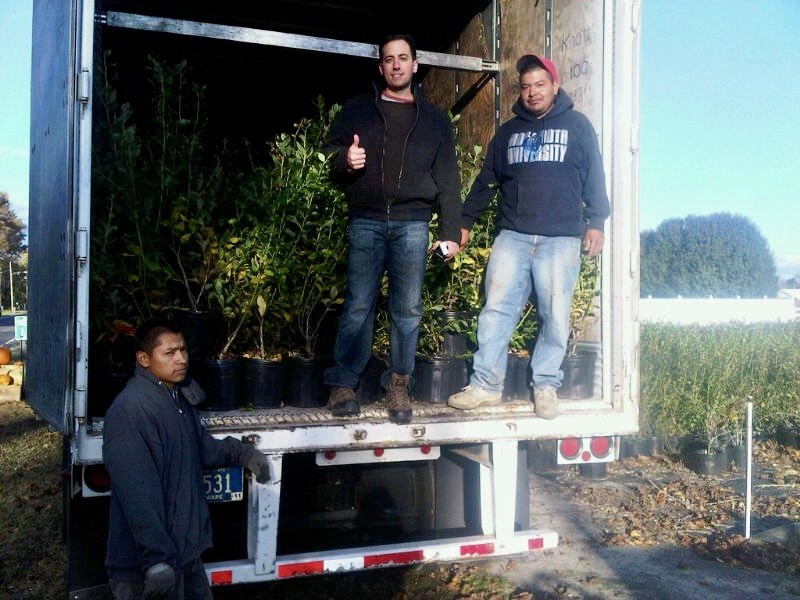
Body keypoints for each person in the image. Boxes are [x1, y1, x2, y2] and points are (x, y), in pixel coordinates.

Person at [447, 54, 610, 419]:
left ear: (554, 86)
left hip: (561, 239)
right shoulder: (508, 132)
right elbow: (487, 179)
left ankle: (547, 385)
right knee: (496, 310)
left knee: (555, 314)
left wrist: (597, 221)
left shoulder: (577, 126)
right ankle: (486, 385)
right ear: (520, 92)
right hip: (514, 236)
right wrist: (466, 221)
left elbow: (594, 176)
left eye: (540, 85)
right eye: (526, 87)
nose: (533, 92)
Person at [322, 33, 462, 424]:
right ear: (381, 67)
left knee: (408, 310)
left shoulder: (434, 120)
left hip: (413, 224)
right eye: (389, 59)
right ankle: (344, 383)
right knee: (358, 306)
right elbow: (329, 153)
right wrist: (344, 160)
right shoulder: (357, 110)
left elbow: (448, 178)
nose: (396, 64)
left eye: (403, 58)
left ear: (415, 65)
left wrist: (451, 230)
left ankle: (398, 383)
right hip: (365, 219)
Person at [103, 318, 270, 599]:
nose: (181, 359)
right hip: (149, 568)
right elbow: (136, 493)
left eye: (183, 350)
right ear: (143, 359)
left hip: (184, 555)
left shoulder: (176, 399)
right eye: (169, 353)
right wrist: (156, 559)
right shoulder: (131, 410)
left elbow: (202, 448)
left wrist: (244, 453)